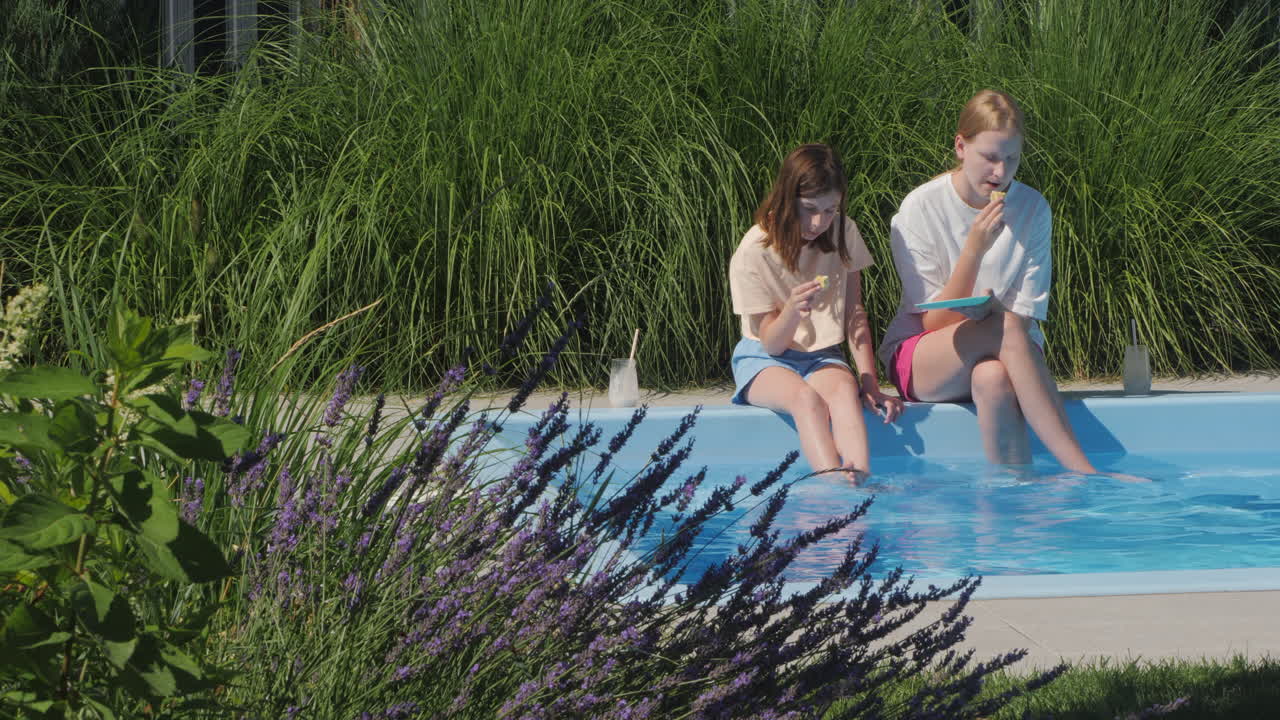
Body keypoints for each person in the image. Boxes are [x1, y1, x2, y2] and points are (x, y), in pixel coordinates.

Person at [877, 89, 1098, 473]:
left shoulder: (1032, 208)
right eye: (990, 158)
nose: (1001, 173)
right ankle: (1083, 471)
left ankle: (1012, 496)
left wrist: (995, 318)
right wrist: (974, 250)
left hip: (1007, 352)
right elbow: (932, 322)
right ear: (961, 147)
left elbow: (1026, 316)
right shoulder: (919, 208)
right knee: (1005, 326)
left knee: (993, 377)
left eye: (1012, 159)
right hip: (925, 357)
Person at [729, 143, 903, 480]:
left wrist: (870, 382)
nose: (819, 222)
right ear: (786, 198)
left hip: (821, 354)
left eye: (830, 209)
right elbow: (772, 344)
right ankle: (835, 486)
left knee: (844, 392)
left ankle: (860, 487)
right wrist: (792, 311)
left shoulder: (843, 231)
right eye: (809, 209)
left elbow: (854, 312)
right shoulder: (754, 250)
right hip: (764, 357)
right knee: (807, 400)